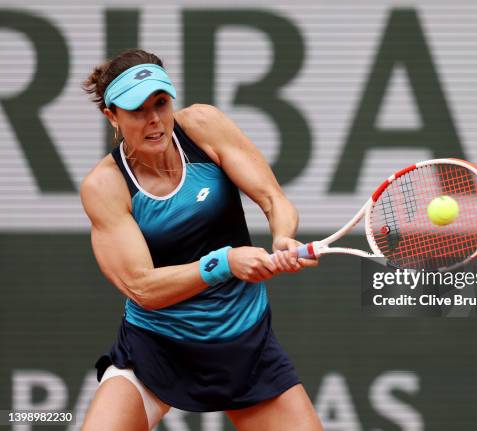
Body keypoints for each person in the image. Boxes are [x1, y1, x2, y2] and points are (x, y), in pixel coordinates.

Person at [79, 48, 323, 430]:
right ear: (111, 116)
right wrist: (224, 262)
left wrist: (282, 238)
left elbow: (273, 199)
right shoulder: (105, 186)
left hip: (244, 344)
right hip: (157, 349)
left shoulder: (203, 126)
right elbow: (142, 287)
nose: (154, 120)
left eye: (160, 103)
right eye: (136, 110)